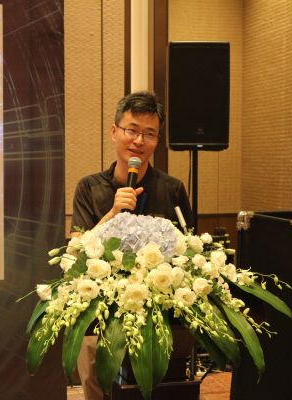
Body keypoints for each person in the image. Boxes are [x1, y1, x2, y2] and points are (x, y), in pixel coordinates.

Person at [70, 91, 193, 400]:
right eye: (132, 130)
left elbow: (190, 252)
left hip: (159, 318)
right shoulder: (89, 187)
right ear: (115, 132)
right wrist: (112, 214)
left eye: (149, 134)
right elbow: (76, 252)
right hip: (101, 317)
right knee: (99, 385)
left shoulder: (173, 189)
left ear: (157, 140)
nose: (139, 140)